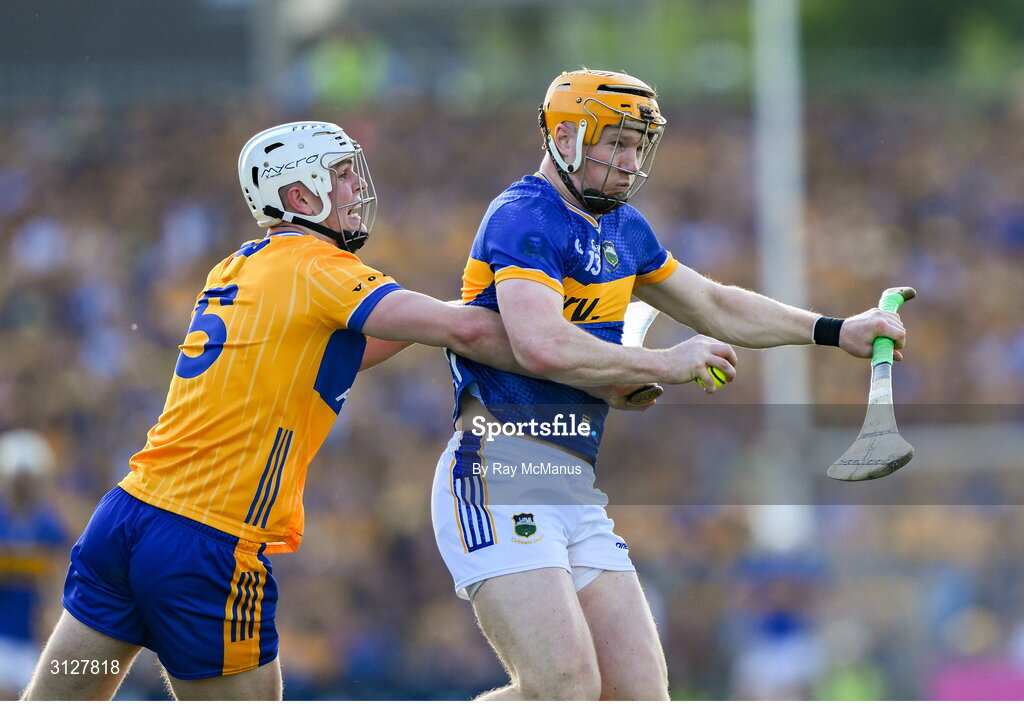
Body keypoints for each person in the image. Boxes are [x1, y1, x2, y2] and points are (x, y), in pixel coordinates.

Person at [19, 120, 692, 701]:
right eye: (338, 176)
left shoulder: (239, 264)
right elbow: (464, 332)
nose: (353, 188)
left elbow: (348, 350)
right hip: (204, 539)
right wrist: (609, 356)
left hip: (126, 520)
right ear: (297, 194)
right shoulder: (320, 267)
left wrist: (492, 309)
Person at [432, 69, 908, 700]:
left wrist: (833, 328)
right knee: (562, 687)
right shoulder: (524, 218)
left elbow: (711, 303)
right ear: (568, 138)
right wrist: (662, 363)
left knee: (640, 694)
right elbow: (540, 344)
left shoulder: (625, 228)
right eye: (619, 144)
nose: (632, 162)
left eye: (639, 147)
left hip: (571, 483)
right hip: (496, 470)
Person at [0, 430, 67, 699]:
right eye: (19, 479)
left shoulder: (49, 526)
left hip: (33, 641)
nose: (23, 486)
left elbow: (58, 579)